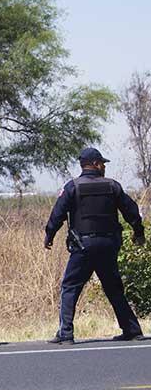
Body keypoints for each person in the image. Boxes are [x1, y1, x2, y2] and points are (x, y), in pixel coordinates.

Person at [44, 147, 146, 344]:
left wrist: (49, 235)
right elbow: (131, 211)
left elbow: (57, 214)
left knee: (70, 287)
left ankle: (65, 333)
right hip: (108, 245)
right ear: (96, 164)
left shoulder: (72, 187)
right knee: (114, 288)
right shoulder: (112, 186)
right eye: (103, 164)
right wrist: (138, 232)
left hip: (83, 246)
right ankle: (132, 330)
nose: (104, 167)